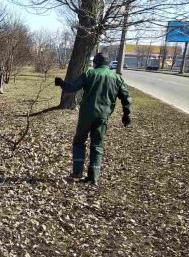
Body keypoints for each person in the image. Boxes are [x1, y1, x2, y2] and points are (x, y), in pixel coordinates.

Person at [54, 53, 132, 185]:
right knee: (97, 145)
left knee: (79, 141)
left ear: (95, 63)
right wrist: (126, 114)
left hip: (86, 115)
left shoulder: (89, 74)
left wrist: (61, 83)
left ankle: (77, 172)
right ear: (107, 64)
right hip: (103, 116)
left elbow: (72, 87)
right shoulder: (117, 78)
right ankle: (93, 178)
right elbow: (126, 97)